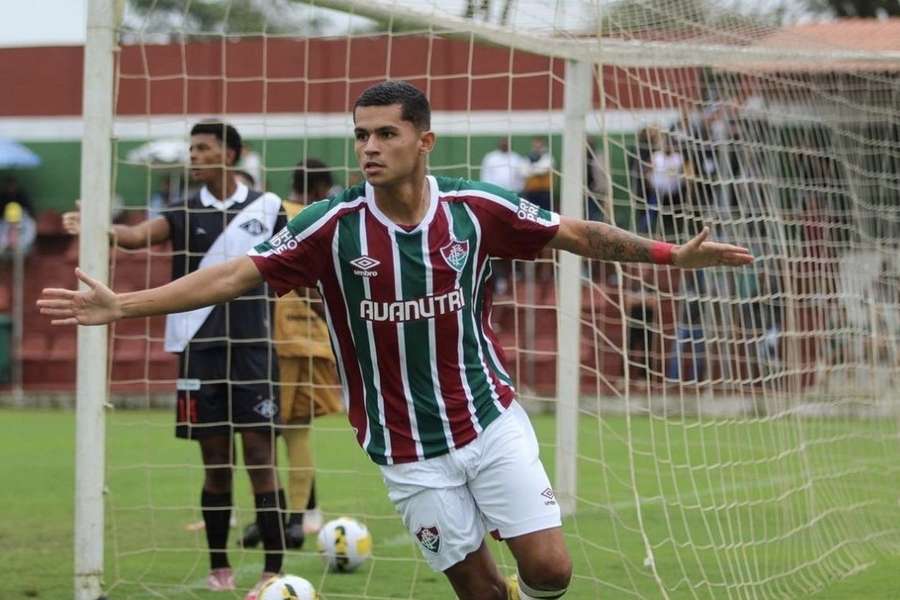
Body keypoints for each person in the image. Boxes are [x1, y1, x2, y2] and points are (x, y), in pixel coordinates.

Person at [40, 81, 753, 600]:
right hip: (405, 449)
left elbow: (573, 232)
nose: (370, 147)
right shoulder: (331, 223)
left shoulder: (476, 209)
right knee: (482, 593)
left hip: (488, 419)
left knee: (551, 572)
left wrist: (668, 256)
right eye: (361, 135)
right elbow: (236, 274)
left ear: (424, 140)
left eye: (385, 133)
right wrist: (123, 304)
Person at [60, 120, 288, 600]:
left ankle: (273, 568)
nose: (194, 155)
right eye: (191, 148)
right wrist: (100, 229)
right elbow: (137, 234)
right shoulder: (182, 209)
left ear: (231, 154)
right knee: (215, 461)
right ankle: (219, 565)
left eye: (203, 148)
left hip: (254, 351)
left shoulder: (269, 210)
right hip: (199, 353)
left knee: (262, 457)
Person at [240, 158, 342, 551]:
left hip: (266, 337)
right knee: (297, 431)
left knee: (260, 435)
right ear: (320, 189)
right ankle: (297, 521)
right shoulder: (323, 217)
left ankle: (267, 519)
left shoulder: (274, 212)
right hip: (309, 339)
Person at [480, 138, 526, 294]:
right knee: (494, 241)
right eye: (502, 142)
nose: (504, 144)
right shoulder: (490, 158)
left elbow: (522, 181)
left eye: (507, 142)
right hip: (494, 203)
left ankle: (517, 273)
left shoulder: (517, 159)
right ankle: (498, 279)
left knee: (515, 239)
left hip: (513, 203)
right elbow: (484, 178)